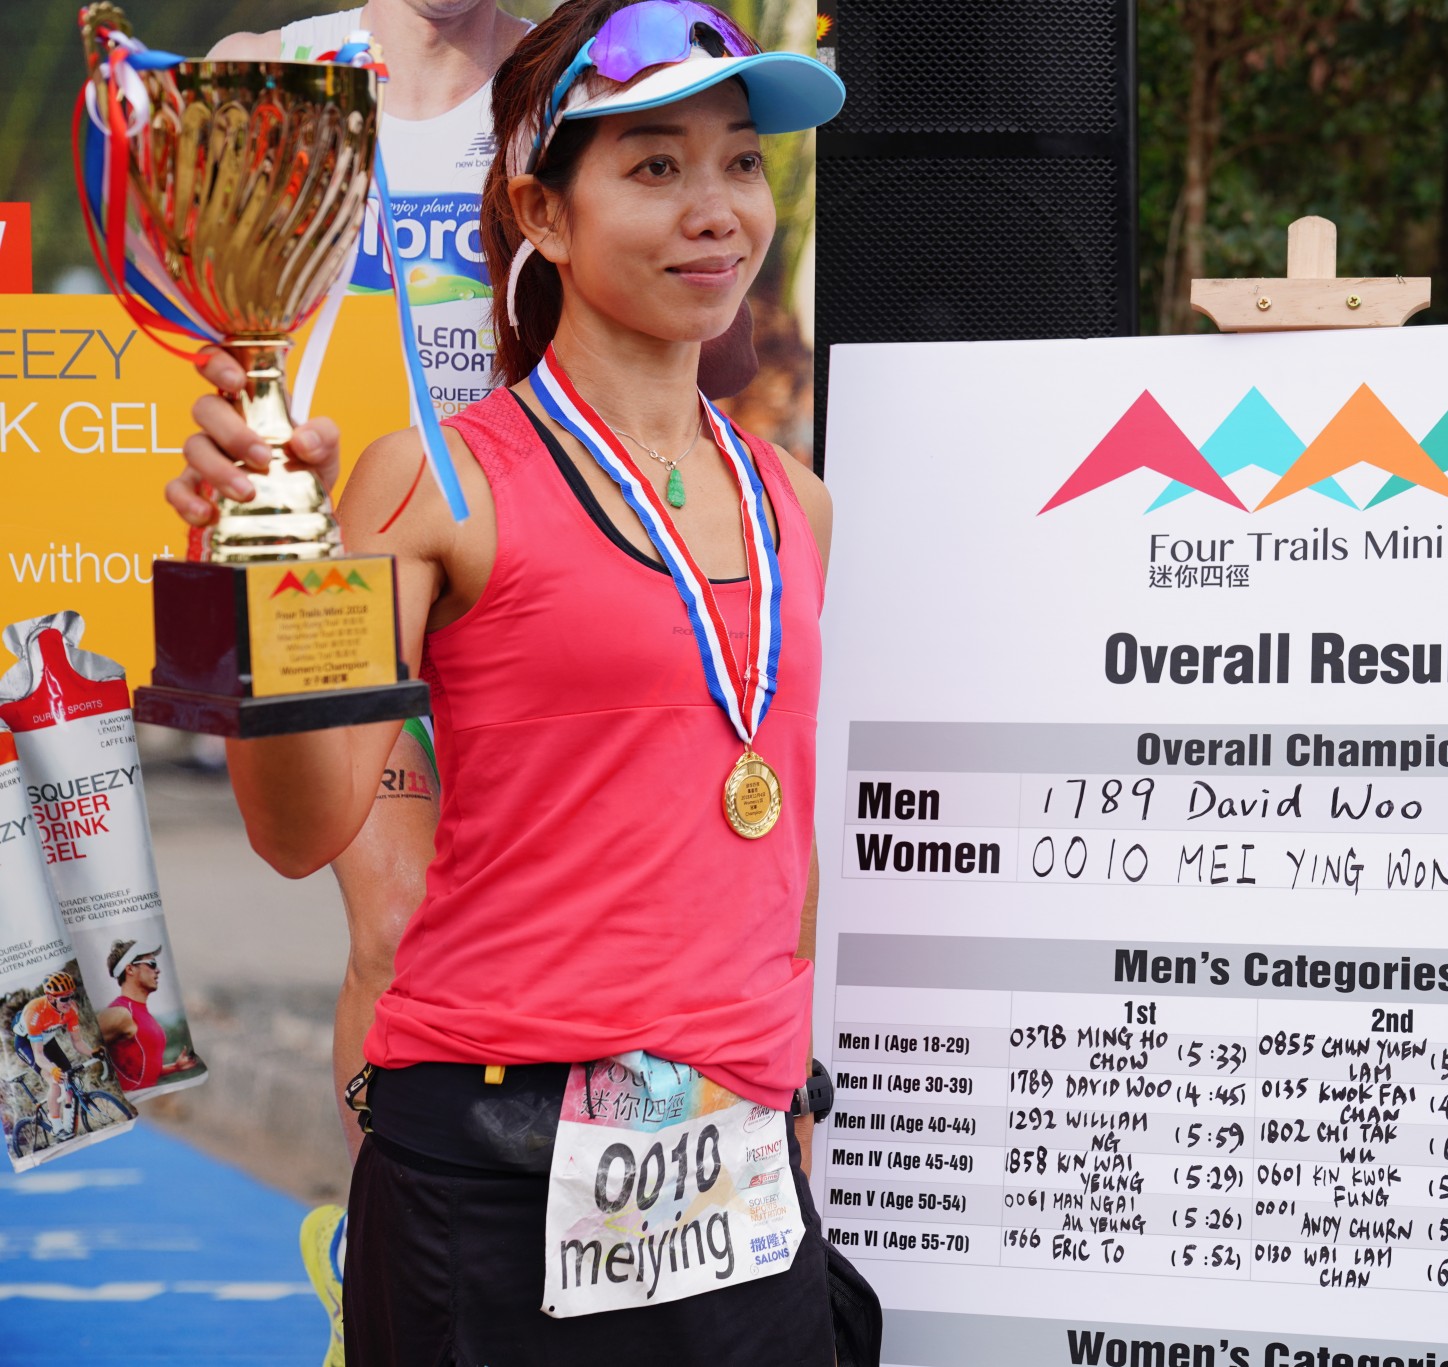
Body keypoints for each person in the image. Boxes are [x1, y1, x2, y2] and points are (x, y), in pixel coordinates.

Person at [171, 1, 842, 1359]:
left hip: (739, 1173)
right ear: (544, 213)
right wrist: (255, 565)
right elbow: (298, 830)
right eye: (654, 166)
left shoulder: (795, 501)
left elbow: (779, 848)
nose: (715, 209)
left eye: (738, 160)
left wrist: (792, 1101)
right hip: (492, 1167)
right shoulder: (433, 481)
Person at [92, 940, 195, 1094]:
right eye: (152, 964)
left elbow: (141, 1071)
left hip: (146, 1100)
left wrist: (175, 1067)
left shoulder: (142, 1014)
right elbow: (85, 1049)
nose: (158, 970)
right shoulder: (120, 1013)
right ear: (130, 969)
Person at [11, 971, 90, 1140]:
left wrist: (94, 1052)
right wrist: (52, 1069)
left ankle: (68, 1125)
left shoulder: (71, 1009)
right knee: (55, 1082)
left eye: (71, 996)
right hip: (27, 1044)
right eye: (64, 998)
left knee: (69, 1078)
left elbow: (78, 1042)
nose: (69, 1002)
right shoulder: (34, 1012)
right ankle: (57, 1127)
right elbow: (39, 1055)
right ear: (50, 997)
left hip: (47, 1040)